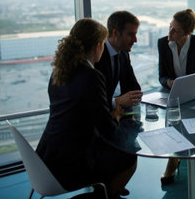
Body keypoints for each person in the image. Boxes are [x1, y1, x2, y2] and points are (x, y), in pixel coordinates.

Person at [36, 18, 138, 199]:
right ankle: (107, 194)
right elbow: (108, 131)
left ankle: (109, 188)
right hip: (69, 166)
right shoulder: (91, 76)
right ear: (99, 45)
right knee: (129, 156)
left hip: (44, 159)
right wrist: (115, 116)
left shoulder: (59, 71)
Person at [157, 8, 195, 185]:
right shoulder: (163, 44)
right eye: (170, 27)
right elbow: (162, 75)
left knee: (192, 130)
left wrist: (192, 85)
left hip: (194, 94)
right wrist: (169, 83)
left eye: (176, 30)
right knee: (173, 129)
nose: (170, 32)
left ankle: (181, 159)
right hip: (173, 94)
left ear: (188, 32)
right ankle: (174, 158)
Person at [95, 11, 143, 111]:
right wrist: (117, 101)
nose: (135, 40)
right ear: (116, 33)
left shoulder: (123, 53)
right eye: (130, 34)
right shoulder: (97, 56)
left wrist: (130, 97)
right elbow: (93, 102)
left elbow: (133, 88)